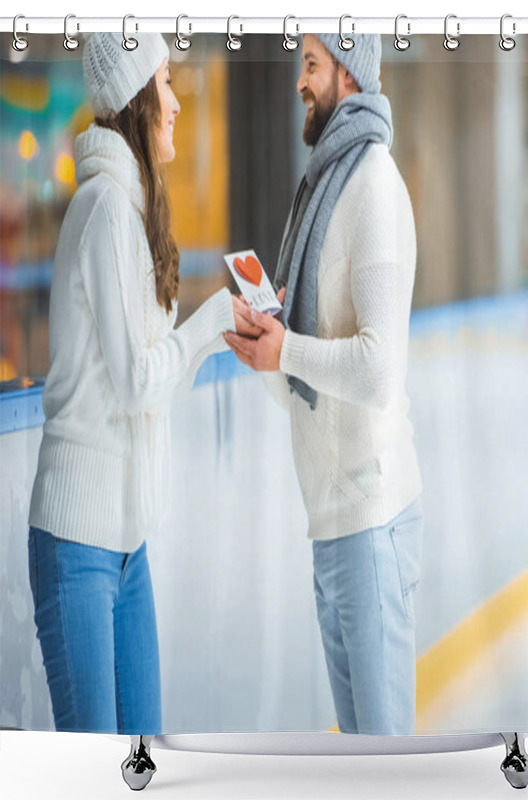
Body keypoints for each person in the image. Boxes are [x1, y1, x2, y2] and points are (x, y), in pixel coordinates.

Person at [27, 32, 254, 734]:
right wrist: (214, 317)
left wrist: (207, 334)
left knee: (145, 757)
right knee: (98, 768)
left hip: (127, 548)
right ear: (134, 100)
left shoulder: (132, 213)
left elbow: (151, 389)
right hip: (78, 545)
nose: (178, 102)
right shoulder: (102, 213)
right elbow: (134, 386)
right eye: (165, 83)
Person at [224, 33, 423, 736]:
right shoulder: (318, 191)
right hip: (332, 526)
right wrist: (269, 349)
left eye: (310, 66)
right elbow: (302, 374)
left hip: (370, 523)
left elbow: (377, 369)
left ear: (348, 69)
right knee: (362, 763)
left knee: (387, 763)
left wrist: (291, 351)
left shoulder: (370, 185)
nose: (298, 84)